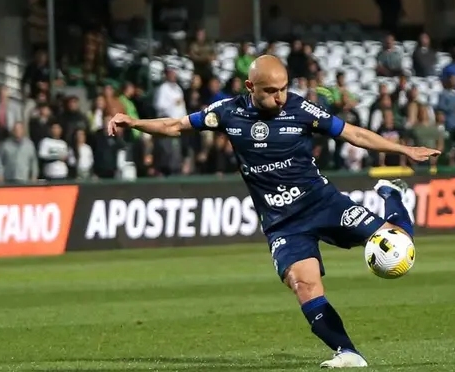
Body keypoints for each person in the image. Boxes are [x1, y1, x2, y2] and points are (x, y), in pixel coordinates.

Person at [107, 55, 437, 368]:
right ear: (250, 88)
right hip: (283, 222)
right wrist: (133, 121)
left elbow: (353, 133)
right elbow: (175, 125)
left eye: (283, 88)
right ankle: (348, 352)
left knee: (400, 245)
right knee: (303, 284)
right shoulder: (227, 113)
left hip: (322, 203)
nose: (280, 97)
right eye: (271, 91)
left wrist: (403, 149)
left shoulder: (302, 109)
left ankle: (392, 193)